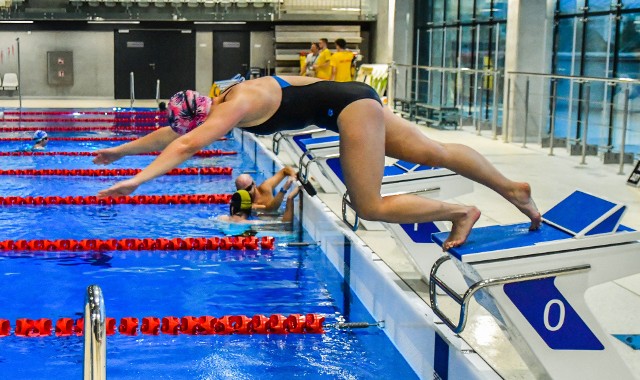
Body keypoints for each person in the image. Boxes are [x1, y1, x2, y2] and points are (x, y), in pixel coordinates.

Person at [93, 76, 541, 250]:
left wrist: (137, 181)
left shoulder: (236, 104)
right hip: (352, 98)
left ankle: (461, 212)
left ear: (202, 115)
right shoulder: (221, 97)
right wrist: (120, 151)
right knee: (434, 152)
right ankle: (512, 188)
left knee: (370, 206)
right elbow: (172, 136)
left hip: (348, 111)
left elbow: (186, 145)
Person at [219, 179, 300, 224]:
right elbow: (285, 223)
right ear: (250, 207)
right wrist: (290, 198)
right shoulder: (253, 223)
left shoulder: (222, 218)